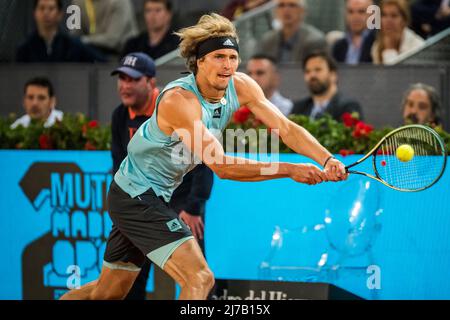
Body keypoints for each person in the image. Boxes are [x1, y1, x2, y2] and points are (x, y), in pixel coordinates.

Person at [60, 13, 347, 300]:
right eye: (219, 57)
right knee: (200, 278)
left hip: (151, 195)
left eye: (233, 57)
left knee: (106, 294)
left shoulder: (241, 85)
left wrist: (326, 158)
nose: (228, 65)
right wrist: (289, 169)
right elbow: (221, 166)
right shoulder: (179, 101)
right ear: (200, 61)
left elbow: (285, 128)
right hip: (136, 196)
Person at [110, 52, 214, 299]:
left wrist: (194, 207)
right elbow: (119, 165)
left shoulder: (175, 108)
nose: (125, 85)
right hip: (141, 200)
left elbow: (204, 162)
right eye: (121, 78)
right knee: (129, 280)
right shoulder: (119, 116)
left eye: (132, 79)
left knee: (199, 277)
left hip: (181, 199)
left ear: (150, 82)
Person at [16, 0, 104, 63]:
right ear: (35, 13)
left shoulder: (73, 46)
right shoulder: (25, 49)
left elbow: (102, 62)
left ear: (60, 14)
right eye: (42, 8)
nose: (46, 13)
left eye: (51, 8)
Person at [291, 51, 364, 122]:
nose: (312, 75)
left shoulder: (348, 107)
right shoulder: (298, 108)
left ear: (333, 75)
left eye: (318, 70)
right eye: (307, 71)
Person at [255, 0, 327, 63]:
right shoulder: (267, 41)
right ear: (275, 11)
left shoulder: (314, 41)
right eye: (281, 5)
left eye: (292, 5)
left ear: (302, 10)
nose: (286, 10)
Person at [70, 0, 138, 58]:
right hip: (92, 53)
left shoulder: (120, 2)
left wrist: (83, 40)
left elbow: (112, 40)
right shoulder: (77, 2)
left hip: (123, 56)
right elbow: (74, 37)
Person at [372, 0, 425, 65]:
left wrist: (390, 48)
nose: (388, 21)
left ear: (404, 20)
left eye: (394, 16)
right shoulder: (376, 46)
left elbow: (394, 74)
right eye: (384, 15)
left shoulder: (418, 47)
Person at [332, 0, 376, 65]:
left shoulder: (379, 43)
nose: (355, 17)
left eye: (361, 11)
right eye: (350, 12)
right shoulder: (338, 46)